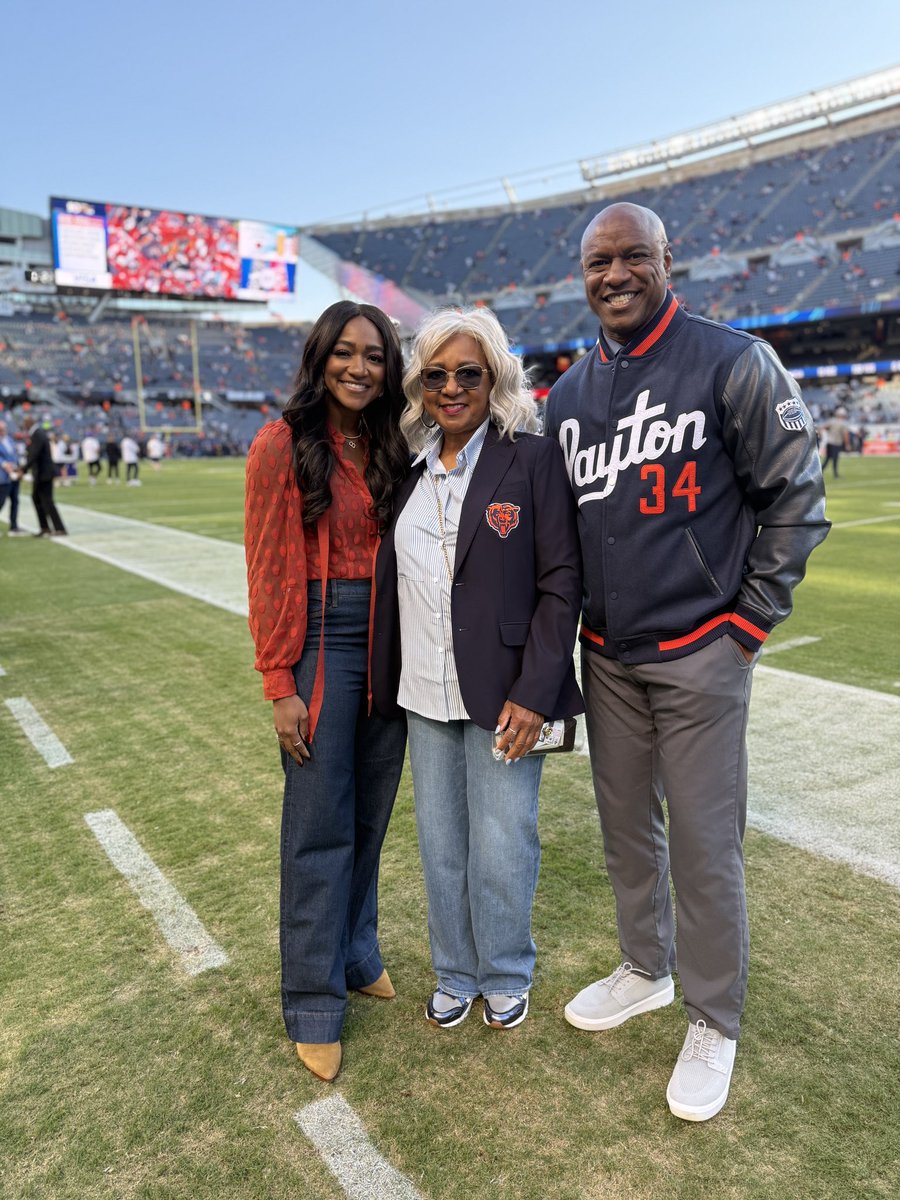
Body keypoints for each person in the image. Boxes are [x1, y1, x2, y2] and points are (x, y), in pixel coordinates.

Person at [543, 203, 829, 1122]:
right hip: (609, 656)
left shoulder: (732, 359)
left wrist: (748, 625)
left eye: (632, 257)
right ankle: (646, 968)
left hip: (702, 648)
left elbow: (796, 496)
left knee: (707, 847)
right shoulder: (567, 394)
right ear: (581, 276)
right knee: (627, 829)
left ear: (669, 260)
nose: (615, 274)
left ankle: (714, 1017)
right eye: (598, 262)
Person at [372, 307, 583, 1032]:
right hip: (422, 691)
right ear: (419, 384)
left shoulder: (531, 456)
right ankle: (455, 972)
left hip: (507, 693)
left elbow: (562, 583)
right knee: (441, 844)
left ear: (494, 377)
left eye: (469, 372)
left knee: (503, 839)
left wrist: (537, 692)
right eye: (436, 375)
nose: (452, 386)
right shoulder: (404, 467)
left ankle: (504, 971)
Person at [244, 301, 409, 1084]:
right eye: (345, 353)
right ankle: (312, 1000)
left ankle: (355, 953)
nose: (360, 368)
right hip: (321, 637)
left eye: (374, 356)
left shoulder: (390, 441)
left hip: (391, 641)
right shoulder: (282, 443)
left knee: (371, 816)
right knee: (319, 825)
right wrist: (282, 681)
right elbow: (270, 566)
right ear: (320, 356)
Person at [22, 417, 67, 537]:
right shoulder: (38, 433)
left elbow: (34, 454)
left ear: (29, 423)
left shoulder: (37, 434)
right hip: (42, 473)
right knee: (38, 499)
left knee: (46, 500)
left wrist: (23, 469)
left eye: (25, 423)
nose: (23, 425)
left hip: (43, 474)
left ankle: (57, 528)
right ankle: (46, 527)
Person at [0, 420, 24, 534]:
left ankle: (14, 526)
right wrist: (5, 465)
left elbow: (14, 456)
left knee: (15, 501)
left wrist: (19, 469)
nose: (2, 431)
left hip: (14, 475)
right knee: (1, 501)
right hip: (3, 477)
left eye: (3, 429)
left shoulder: (9, 440)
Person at [821, 405, 850, 478]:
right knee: (835, 459)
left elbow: (823, 427)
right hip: (836, 443)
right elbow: (845, 435)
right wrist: (847, 444)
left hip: (829, 442)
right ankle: (835, 474)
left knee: (827, 459)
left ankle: (820, 472)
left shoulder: (832, 421)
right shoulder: (843, 423)